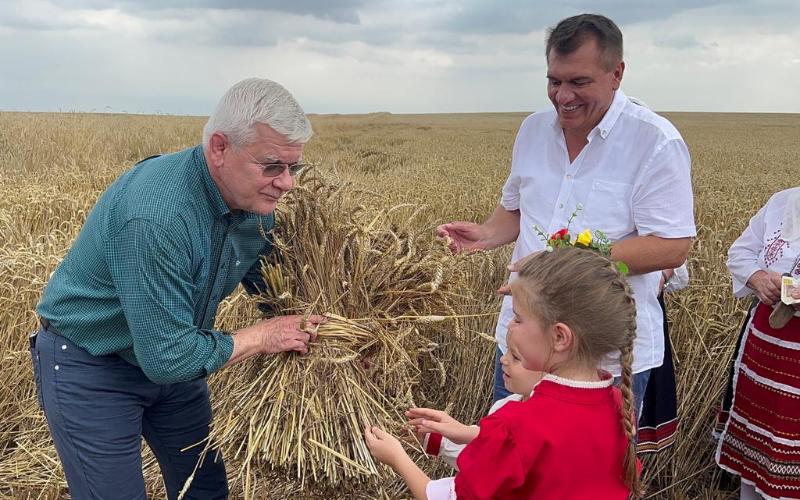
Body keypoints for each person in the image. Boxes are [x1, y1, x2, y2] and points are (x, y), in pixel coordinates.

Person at [31, 78, 325, 499]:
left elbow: (272, 292)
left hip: (176, 352)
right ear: (219, 147)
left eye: (294, 168)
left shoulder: (255, 204)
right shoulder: (157, 216)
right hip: (92, 365)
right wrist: (263, 337)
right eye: (272, 166)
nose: (287, 183)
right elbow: (167, 358)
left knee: (204, 488)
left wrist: (329, 339)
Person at [436, 13, 695, 409]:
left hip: (601, 357)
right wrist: (485, 235)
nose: (563, 96)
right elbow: (517, 209)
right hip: (523, 344)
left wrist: (569, 264)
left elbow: (671, 247)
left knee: (588, 472)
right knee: (509, 461)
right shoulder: (533, 130)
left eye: (578, 82)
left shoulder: (654, 142)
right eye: (554, 81)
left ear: (617, 73)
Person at [365, 247, 641, 499]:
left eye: (519, 318)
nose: (509, 325)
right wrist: (465, 434)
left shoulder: (518, 423)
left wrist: (396, 457)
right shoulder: (618, 405)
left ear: (559, 337)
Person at [715, 187, 800, 500]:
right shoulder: (782, 202)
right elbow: (740, 253)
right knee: (755, 455)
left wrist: (791, 291)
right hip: (763, 353)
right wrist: (758, 278)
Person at [409, 330, 542, 470]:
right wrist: (438, 438)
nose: (503, 359)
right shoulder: (503, 406)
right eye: (507, 350)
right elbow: (483, 460)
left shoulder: (546, 426)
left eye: (516, 357)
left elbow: (497, 473)